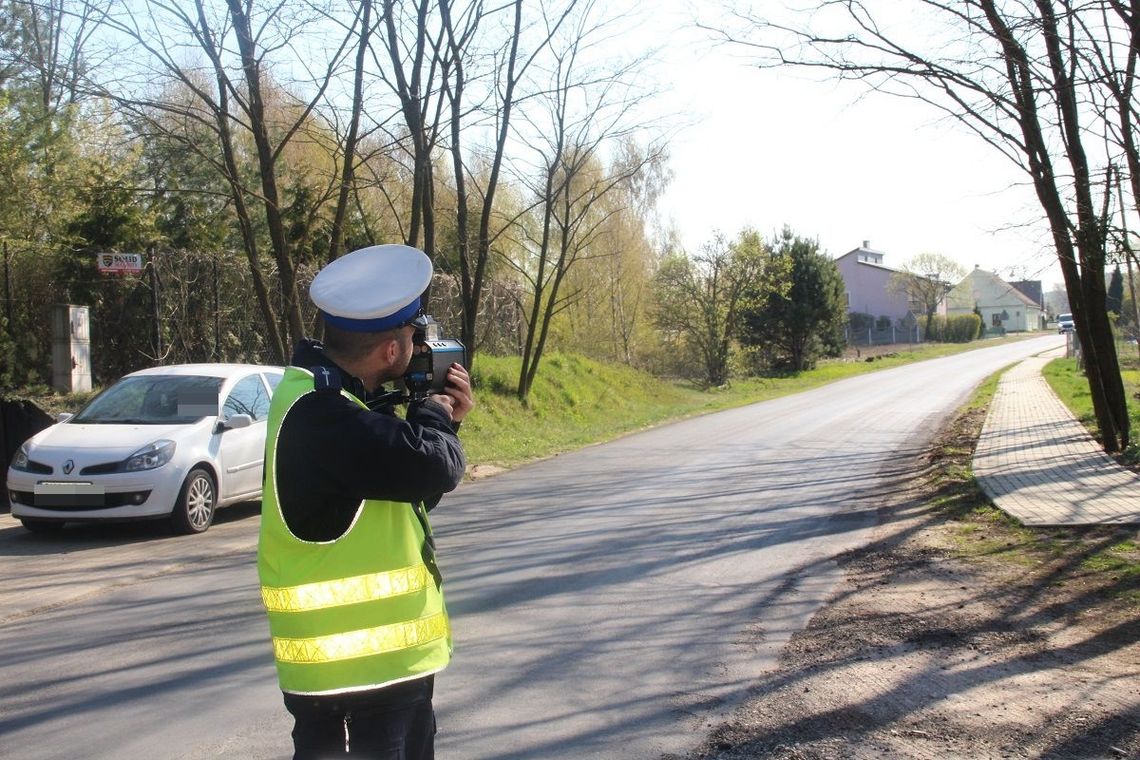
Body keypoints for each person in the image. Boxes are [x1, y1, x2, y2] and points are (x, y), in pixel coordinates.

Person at [257, 243, 474, 760]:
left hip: (371, 673)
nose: (421, 349)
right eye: (412, 338)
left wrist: (442, 420)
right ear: (391, 352)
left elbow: (406, 493)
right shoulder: (324, 414)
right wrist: (436, 413)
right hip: (357, 676)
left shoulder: (329, 400)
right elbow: (431, 466)